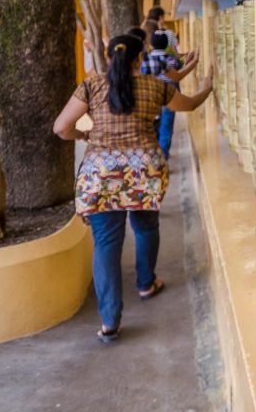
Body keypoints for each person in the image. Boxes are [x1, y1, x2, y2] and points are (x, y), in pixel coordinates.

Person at [53, 34, 213, 343]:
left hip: (100, 176)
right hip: (144, 171)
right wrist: (207, 85)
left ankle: (110, 322)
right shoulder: (155, 84)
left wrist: (83, 136)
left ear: (108, 56)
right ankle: (145, 284)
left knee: (106, 244)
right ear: (141, 57)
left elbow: (61, 127)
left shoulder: (92, 85)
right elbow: (190, 104)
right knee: (145, 227)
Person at [142, 30, 199, 158]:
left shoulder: (147, 60)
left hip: (152, 100)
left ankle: (153, 155)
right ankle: (164, 157)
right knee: (166, 128)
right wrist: (191, 61)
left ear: (151, 45)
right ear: (167, 44)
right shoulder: (171, 60)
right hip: (170, 100)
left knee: (153, 127)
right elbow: (178, 73)